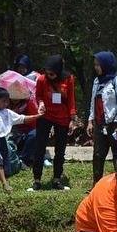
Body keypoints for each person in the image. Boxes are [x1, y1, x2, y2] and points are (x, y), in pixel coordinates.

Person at [29, 55, 77, 191]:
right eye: (47, 72)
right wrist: (41, 103)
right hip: (46, 116)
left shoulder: (69, 79)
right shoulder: (42, 79)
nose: (49, 75)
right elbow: (38, 95)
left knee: (60, 150)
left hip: (62, 117)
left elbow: (71, 99)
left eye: (52, 73)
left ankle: (57, 179)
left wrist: (72, 117)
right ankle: (37, 179)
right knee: (39, 148)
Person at [0, 87, 39, 193]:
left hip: (3, 140)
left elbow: (22, 118)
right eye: (3, 101)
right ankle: (5, 184)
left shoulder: (7, 113)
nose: (6, 103)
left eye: (7, 101)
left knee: (3, 163)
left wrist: (37, 116)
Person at [87, 51, 117, 184]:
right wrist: (90, 120)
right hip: (100, 125)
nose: (96, 68)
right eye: (95, 65)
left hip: (114, 125)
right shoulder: (96, 81)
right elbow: (93, 101)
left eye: (98, 65)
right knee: (98, 156)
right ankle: (96, 186)